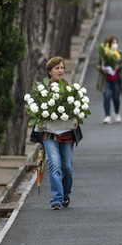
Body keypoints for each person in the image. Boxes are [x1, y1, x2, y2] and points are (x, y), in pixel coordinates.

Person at [41, 57, 81, 210]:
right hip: (49, 135)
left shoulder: (69, 88)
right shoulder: (43, 90)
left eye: (62, 68)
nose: (60, 71)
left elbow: (77, 108)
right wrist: (40, 121)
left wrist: (76, 118)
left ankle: (65, 193)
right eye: (57, 68)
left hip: (67, 134)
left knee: (67, 167)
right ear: (49, 71)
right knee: (54, 165)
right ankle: (56, 199)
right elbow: (36, 111)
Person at [95, 35, 122, 123]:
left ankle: (116, 112)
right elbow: (97, 65)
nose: (115, 44)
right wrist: (101, 69)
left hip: (116, 79)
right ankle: (107, 116)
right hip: (106, 79)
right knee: (107, 96)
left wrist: (118, 66)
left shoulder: (119, 53)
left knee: (116, 98)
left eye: (116, 43)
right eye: (113, 43)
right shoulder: (103, 54)